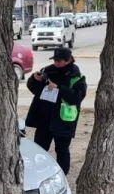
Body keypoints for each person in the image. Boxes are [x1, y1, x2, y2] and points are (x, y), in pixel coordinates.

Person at [24, 47, 88, 175]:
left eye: (59, 61)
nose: (56, 63)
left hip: (63, 120)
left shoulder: (76, 76)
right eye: (55, 60)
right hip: (44, 118)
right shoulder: (47, 71)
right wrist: (34, 79)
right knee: (39, 149)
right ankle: (38, 173)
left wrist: (59, 88)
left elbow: (77, 97)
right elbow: (34, 89)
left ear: (68, 60)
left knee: (62, 150)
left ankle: (62, 175)